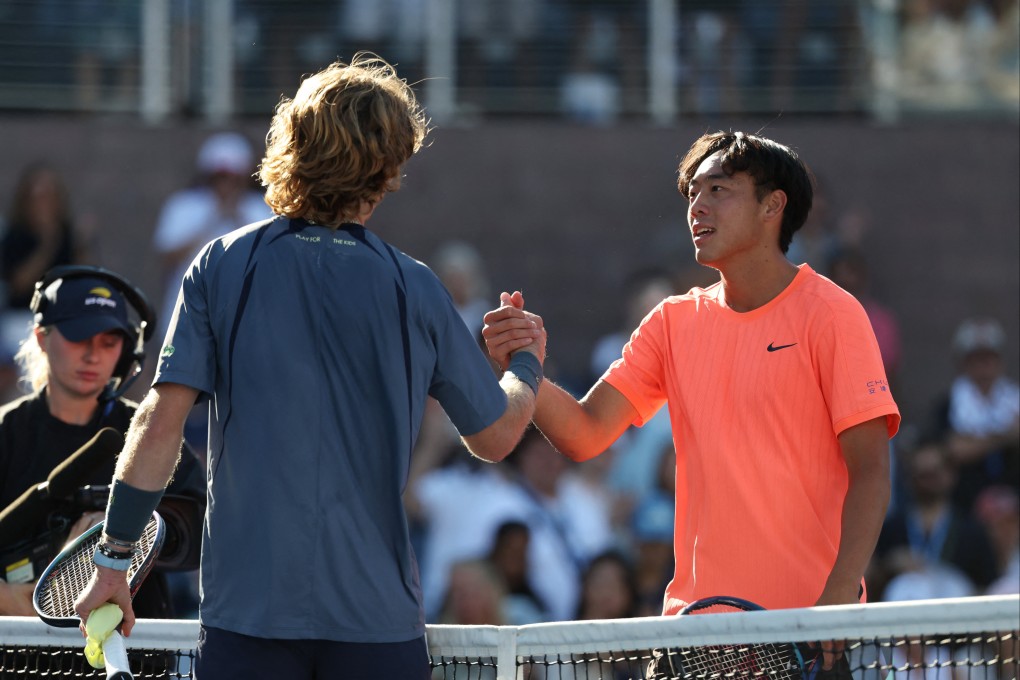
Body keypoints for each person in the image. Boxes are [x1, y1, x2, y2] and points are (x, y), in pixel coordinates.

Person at [74, 54, 542, 680]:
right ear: (389, 167)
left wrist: (113, 561)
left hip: (247, 623)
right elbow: (496, 436)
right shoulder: (417, 288)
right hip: (377, 630)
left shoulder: (221, 265)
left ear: (291, 146)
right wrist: (527, 366)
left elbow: (160, 424)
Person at [484, 130, 899, 673]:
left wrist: (841, 593)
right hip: (692, 641)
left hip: (807, 637)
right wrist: (527, 367)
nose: (697, 208)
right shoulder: (671, 322)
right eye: (692, 195)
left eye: (718, 190)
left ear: (774, 206)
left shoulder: (834, 314)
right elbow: (585, 432)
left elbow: (871, 471)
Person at [0, 266, 203, 618]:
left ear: (128, 353)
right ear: (42, 338)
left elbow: (199, 530)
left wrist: (120, 536)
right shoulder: (7, 432)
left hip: (135, 652)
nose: (94, 355)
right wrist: (11, 600)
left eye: (109, 342)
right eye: (80, 338)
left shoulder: (151, 432)